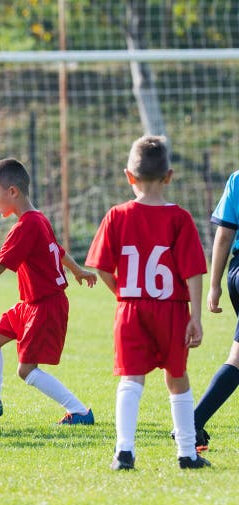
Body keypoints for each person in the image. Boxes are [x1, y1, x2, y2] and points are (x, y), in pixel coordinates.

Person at [85, 135, 210, 470]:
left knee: (131, 378)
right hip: (171, 309)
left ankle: (124, 452)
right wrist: (195, 317)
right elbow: (194, 272)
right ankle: (186, 452)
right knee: (178, 376)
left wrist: (123, 293)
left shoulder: (116, 215)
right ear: (169, 176)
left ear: (129, 176)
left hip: (131, 309)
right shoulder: (180, 218)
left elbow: (99, 267)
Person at [0, 158, 96, 429]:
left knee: (26, 371)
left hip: (44, 305)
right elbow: (58, 249)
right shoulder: (39, 219)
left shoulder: (26, 225)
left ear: (12, 191)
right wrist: (77, 270)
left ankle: (79, 411)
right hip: (29, 304)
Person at [186, 166, 239, 452]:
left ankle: (194, 422)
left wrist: (215, 284)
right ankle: (192, 421)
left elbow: (224, 235)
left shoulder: (237, 178)